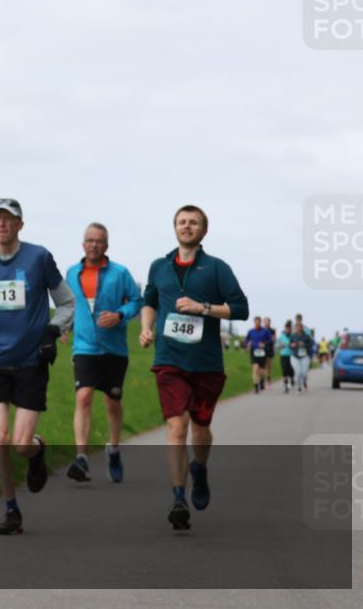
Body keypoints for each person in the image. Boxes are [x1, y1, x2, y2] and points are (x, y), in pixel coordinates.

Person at [0, 198, 75, 535]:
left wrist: (53, 330)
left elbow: (66, 303)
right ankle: (10, 509)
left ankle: (37, 451)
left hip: (31, 362)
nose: (3, 224)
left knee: (20, 443)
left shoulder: (39, 258)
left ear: (20, 224)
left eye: (10, 219)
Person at [139, 205, 249, 530]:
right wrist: (147, 327)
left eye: (193, 223)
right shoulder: (159, 267)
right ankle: (177, 498)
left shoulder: (217, 268)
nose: (186, 227)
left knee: (200, 427)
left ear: (204, 230)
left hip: (206, 364)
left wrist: (203, 308)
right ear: (174, 227)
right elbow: (150, 301)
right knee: (177, 426)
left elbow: (241, 309)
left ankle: (199, 469)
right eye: (181, 222)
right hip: (169, 361)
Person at [63, 222, 142, 483]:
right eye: (90, 240)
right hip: (84, 347)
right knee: (83, 397)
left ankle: (114, 448)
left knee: (112, 402)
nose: (94, 245)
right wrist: (63, 326)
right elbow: (68, 304)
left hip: (114, 349)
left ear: (106, 246)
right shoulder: (72, 273)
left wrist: (120, 315)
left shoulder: (120, 273)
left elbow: (137, 301)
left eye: (99, 241)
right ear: (83, 244)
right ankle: (82, 458)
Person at [244, 317, 273, 394]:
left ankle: (262, 380)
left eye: (259, 322)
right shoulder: (251, 331)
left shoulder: (265, 331)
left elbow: (270, 340)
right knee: (255, 368)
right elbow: (246, 340)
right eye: (256, 322)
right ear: (254, 322)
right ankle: (256, 386)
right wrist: (247, 344)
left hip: (263, 352)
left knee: (261, 370)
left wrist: (264, 344)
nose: (257, 323)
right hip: (254, 352)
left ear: (260, 322)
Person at [289, 322, 313, 392]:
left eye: (300, 327)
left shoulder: (307, 336)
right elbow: (289, 345)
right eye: (297, 327)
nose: (299, 328)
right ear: (296, 328)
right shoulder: (293, 336)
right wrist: (291, 345)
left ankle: (304, 381)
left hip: (304, 356)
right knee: (298, 372)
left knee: (304, 373)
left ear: (302, 328)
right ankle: (298, 386)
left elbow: (311, 345)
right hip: (295, 356)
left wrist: (304, 344)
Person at [276, 320, 295, 393]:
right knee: (284, 371)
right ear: (285, 328)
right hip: (283, 355)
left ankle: (292, 379)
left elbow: (295, 345)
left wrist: (293, 345)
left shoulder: (293, 336)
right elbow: (276, 346)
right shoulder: (281, 336)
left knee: (291, 371)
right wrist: (281, 345)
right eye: (287, 328)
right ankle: (286, 386)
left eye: (290, 328)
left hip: (292, 356)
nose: (288, 329)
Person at [263, 317, 276, 387]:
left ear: (269, 322)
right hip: (263, 349)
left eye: (267, 321)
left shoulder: (272, 330)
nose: (266, 323)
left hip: (270, 349)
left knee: (269, 365)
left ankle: (269, 377)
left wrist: (272, 340)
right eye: (265, 321)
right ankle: (265, 380)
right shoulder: (262, 330)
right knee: (264, 365)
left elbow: (274, 339)